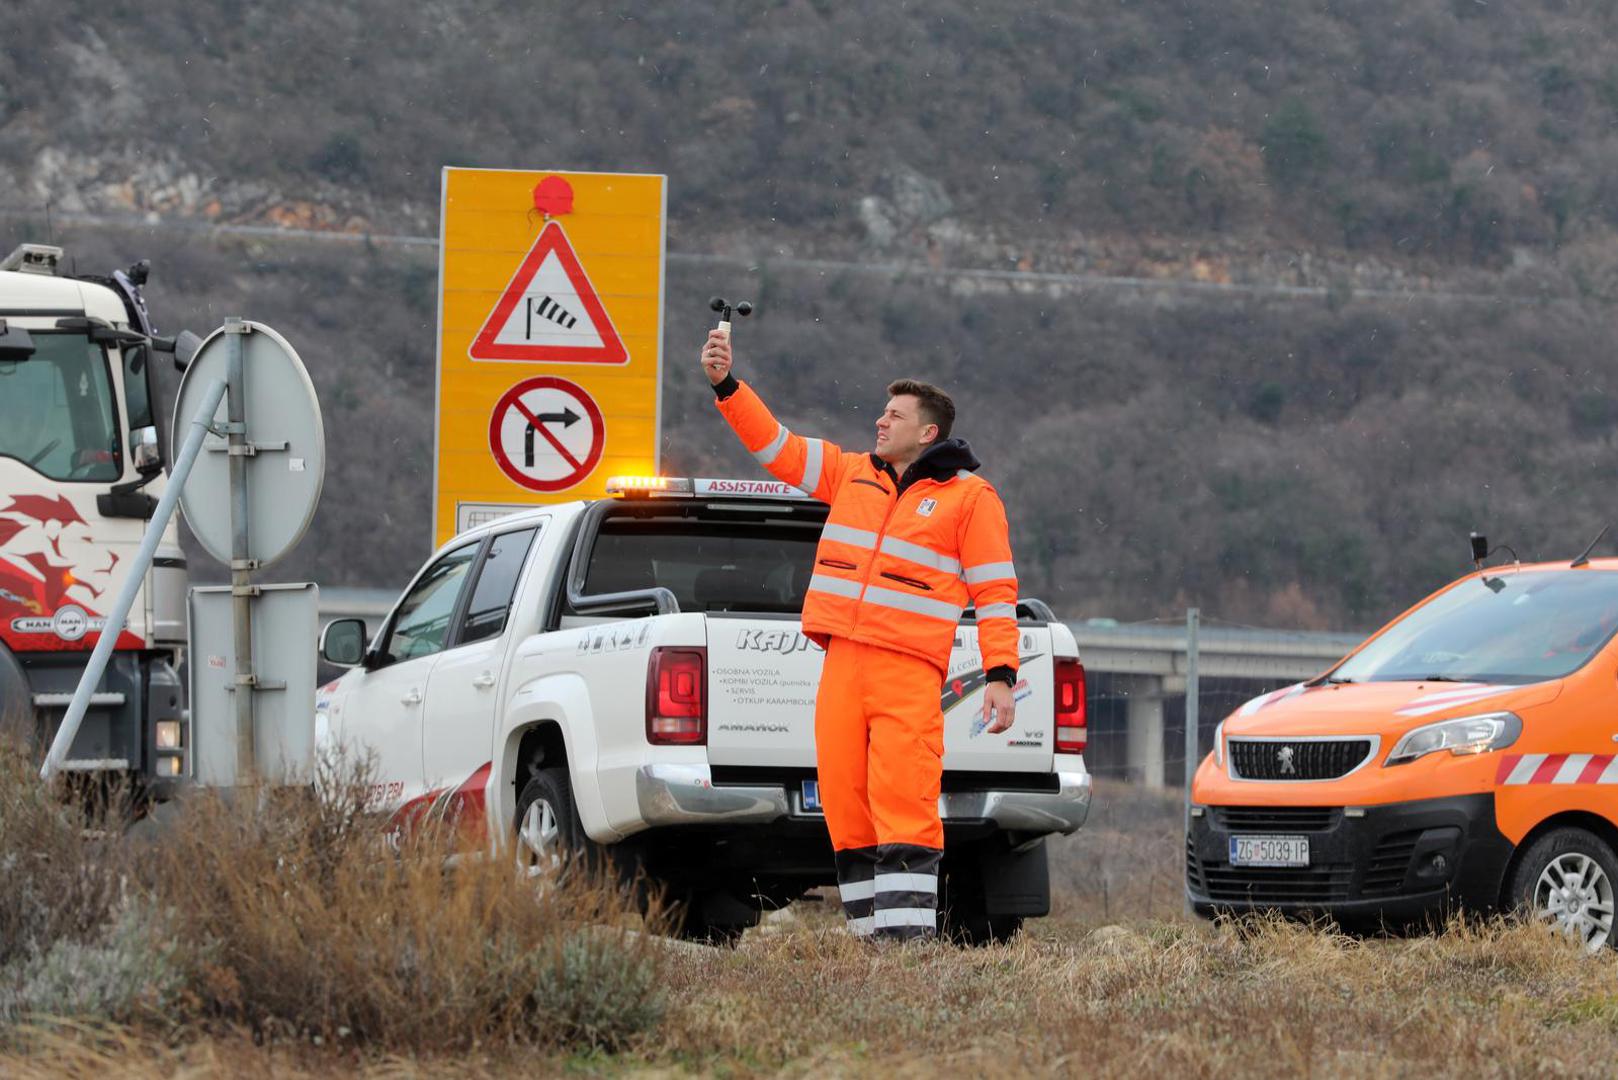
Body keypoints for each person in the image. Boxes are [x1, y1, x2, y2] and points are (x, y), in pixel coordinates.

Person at [700, 328, 1021, 942]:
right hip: (842, 664)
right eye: (881, 411)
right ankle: (871, 945)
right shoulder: (851, 475)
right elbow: (776, 447)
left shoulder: (970, 499)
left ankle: (905, 951)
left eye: (893, 415)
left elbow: (995, 592)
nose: (879, 422)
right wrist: (726, 385)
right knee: (845, 806)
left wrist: (1002, 675)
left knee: (905, 802)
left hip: (907, 670)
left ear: (928, 433)